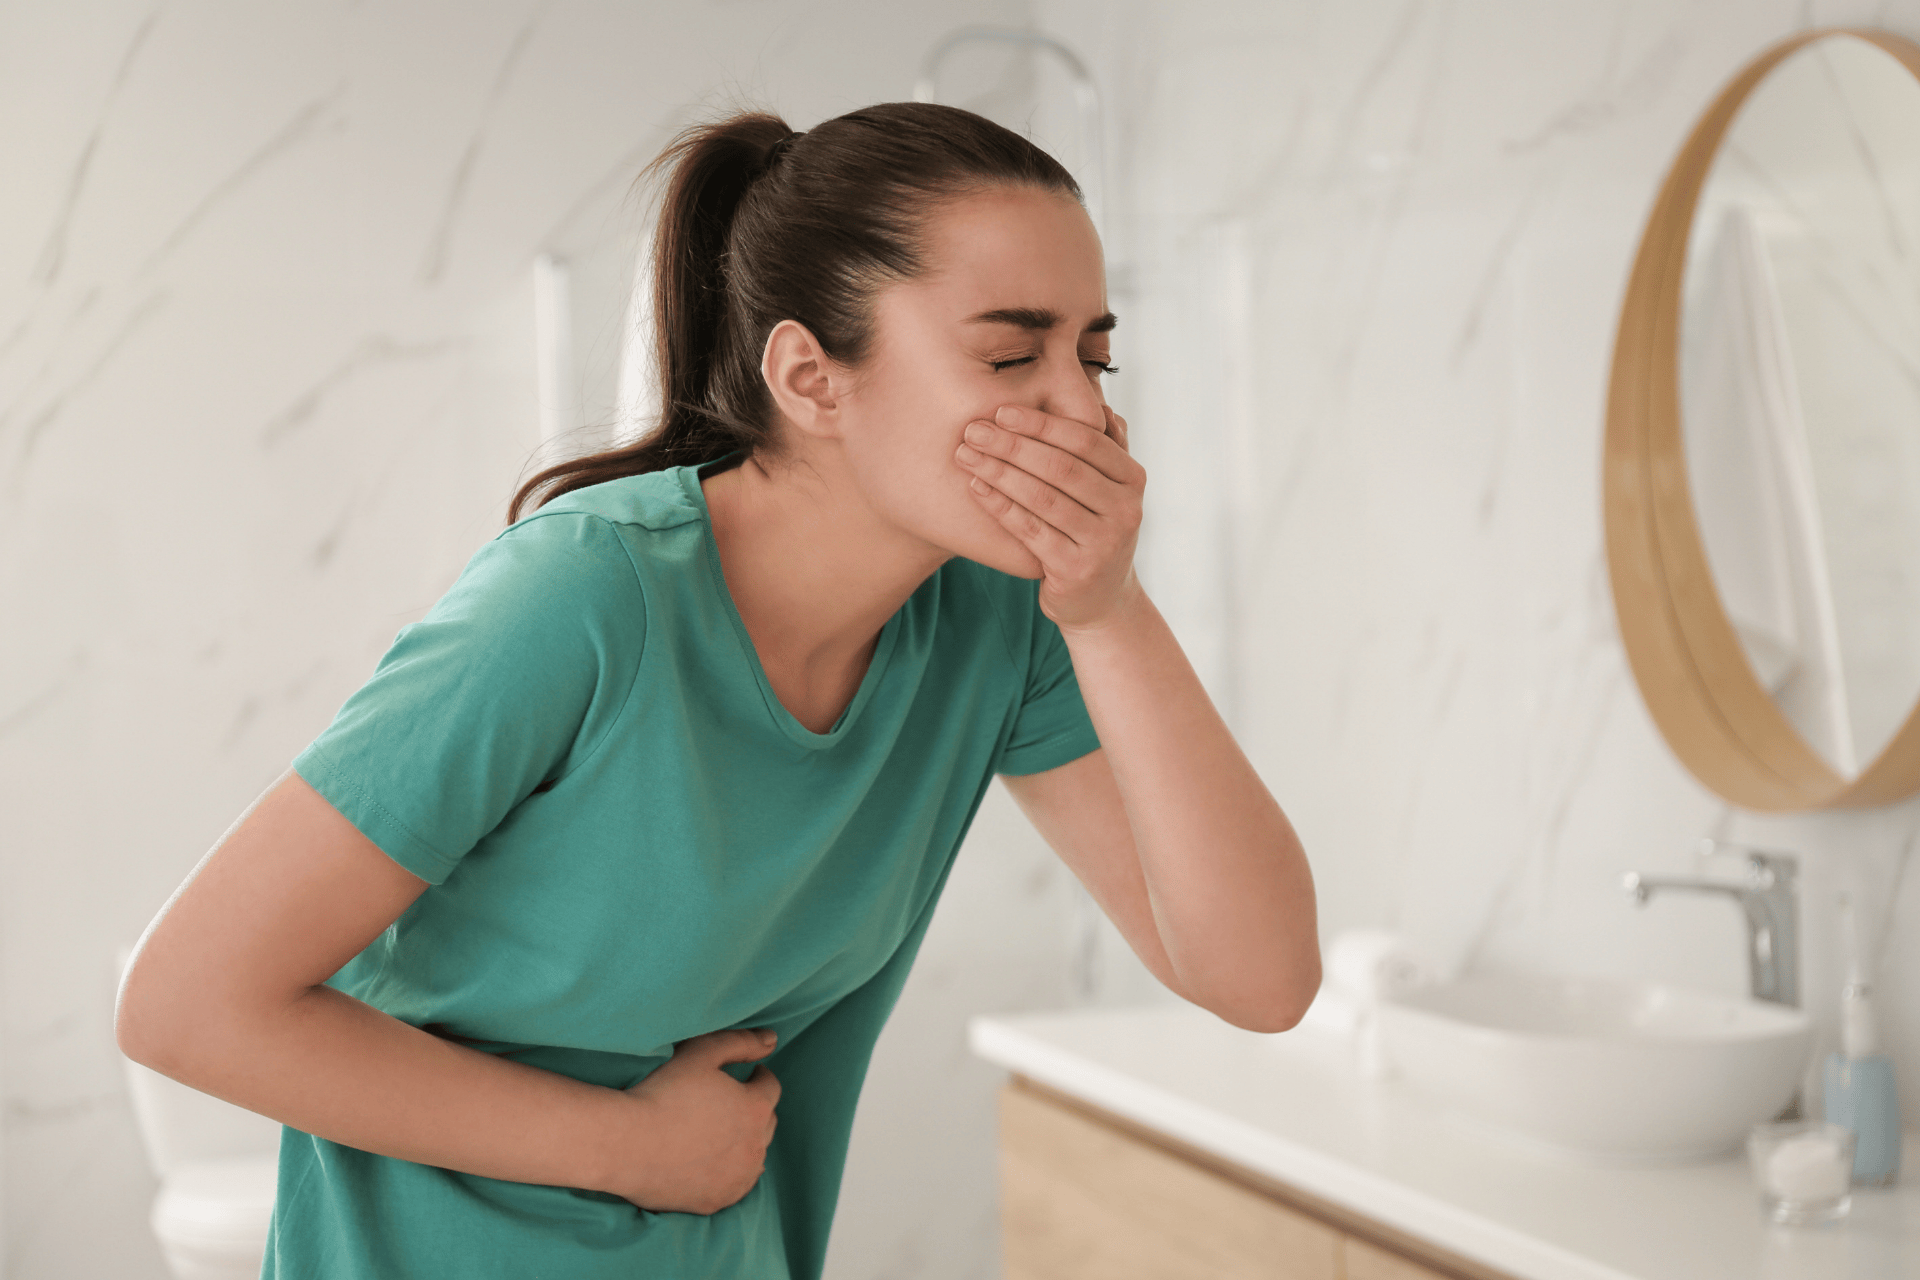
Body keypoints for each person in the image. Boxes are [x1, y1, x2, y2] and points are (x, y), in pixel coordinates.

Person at [114, 100, 1320, 1279]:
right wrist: (630, 1145)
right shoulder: (584, 599)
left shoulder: (1000, 620)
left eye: (1092, 352)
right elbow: (187, 1003)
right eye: (1012, 353)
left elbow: (1259, 979)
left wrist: (1109, 607)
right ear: (809, 377)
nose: (1084, 409)